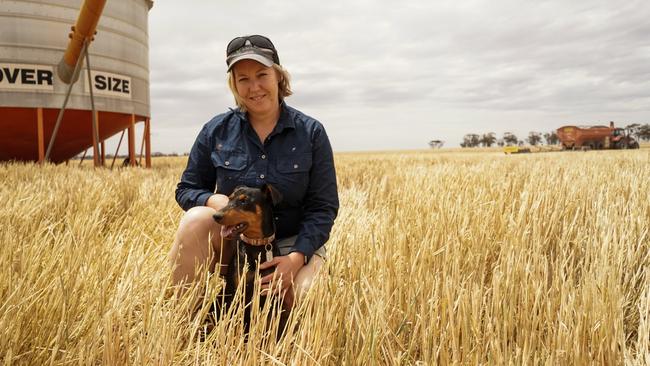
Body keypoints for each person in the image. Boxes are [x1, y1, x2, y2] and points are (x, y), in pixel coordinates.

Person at [168, 35, 339, 309]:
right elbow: (186, 189)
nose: (254, 87)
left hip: (293, 243)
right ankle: (185, 325)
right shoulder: (216, 131)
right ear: (234, 85)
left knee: (309, 296)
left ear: (279, 77)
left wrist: (296, 258)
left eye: (262, 75)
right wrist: (214, 200)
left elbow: (323, 208)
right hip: (235, 245)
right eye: (243, 79)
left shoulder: (311, 133)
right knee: (195, 220)